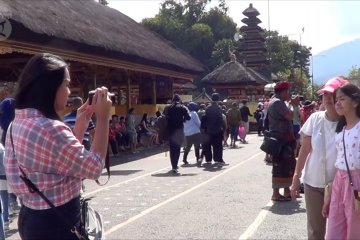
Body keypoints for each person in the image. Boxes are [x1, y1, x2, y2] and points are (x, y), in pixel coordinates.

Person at [4, 53, 112, 240]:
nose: (69, 91)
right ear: (50, 87)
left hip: (30, 217)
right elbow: (94, 168)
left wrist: (79, 127)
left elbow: (59, 163)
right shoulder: (50, 129)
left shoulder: (18, 122)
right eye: (67, 84)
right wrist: (103, 119)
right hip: (57, 222)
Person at [290, 77, 348, 240]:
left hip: (341, 186)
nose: (328, 99)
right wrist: (296, 177)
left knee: (341, 230)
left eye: (333, 94)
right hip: (313, 183)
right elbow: (304, 150)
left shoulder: (350, 123)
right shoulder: (315, 119)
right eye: (325, 95)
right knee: (316, 231)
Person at [324, 83, 360, 239]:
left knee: (355, 227)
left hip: (357, 184)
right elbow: (340, 163)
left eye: (342, 99)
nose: (337, 103)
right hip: (339, 182)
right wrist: (330, 192)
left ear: (355, 102)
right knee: (334, 229)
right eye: (336, 99)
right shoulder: (340, 131)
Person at [267, 81, 296, 201]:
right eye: (288, 91)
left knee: (287, 164)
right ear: (284, 92)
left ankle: (286, 191)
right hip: (281, 139)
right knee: (280, 165)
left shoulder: (276, 101)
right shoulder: (278, 103)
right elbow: (290, 116)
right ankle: (276, 193)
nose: (289, 94)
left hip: (282, 138)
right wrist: (294, 105)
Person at [165, 94, 190, 173]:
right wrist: (183, 118)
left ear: (173, 100)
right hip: (179, 130)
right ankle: (175, 165)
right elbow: (188, 117)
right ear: (179, 100)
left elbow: (163, 117)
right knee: (178, 148)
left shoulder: (168, 107)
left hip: (170, 130)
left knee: (172, 148)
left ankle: (173, 166)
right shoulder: (183, 107)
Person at [203, 93, 226, 164]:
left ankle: (208, 160)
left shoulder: (207, 108)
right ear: (218, 99)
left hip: (208, 129)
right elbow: (220, 118)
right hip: (217, 129)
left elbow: (205, 118)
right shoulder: (219, 108)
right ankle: (218, 159)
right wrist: (224, 127)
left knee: (208, 145)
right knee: (218, 145)